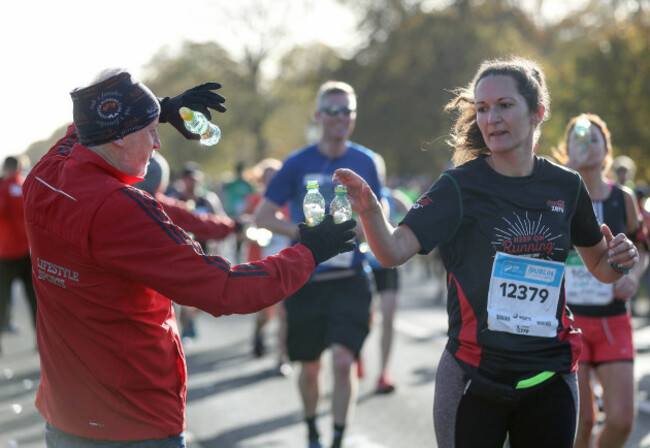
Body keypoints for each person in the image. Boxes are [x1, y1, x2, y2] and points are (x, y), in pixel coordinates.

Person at [22, 68, 357, 448]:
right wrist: (309, 252)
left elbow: (80, 130)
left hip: (65, 415)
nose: (158, 143)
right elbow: (225, 289)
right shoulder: (120, 208)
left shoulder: (42, 176)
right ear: (116, 139)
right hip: (134, 422)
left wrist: (159, 109)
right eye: (149, 131)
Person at [332, 57, 640, 448]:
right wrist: (371, 212)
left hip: (550, 375)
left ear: (537, 113)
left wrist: (618, 260)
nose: (491, 118)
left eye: (504, 105)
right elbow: (393, 251)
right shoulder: (459, 187)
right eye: (482, 108)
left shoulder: (567, 185)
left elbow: (599, 264)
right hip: (474, 377)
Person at [254, 80, 382, 448]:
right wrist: (306, 236)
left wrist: (366, 227)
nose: (340, 117)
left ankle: (338, 438)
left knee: (343, 361)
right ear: (318, 115)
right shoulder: (297, 163)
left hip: (350, 278)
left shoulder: (366, 161)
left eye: (347, 111)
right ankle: (312, 430)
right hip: (307, 281)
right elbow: (263, 216)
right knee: (309, 368)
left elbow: (380, 212)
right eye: (333, 110)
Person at [554, 114, 647, 448]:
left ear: (607, 149)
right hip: (568, 321)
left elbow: (640, 245)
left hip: (611, 319)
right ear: (566, 151)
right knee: (583, 420)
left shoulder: (621, 198)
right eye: (579, 140)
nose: (586, 145)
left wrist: (633, 276)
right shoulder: (555, 197)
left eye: (594, 139)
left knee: (622, 420)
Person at [362, 153, 412, 394]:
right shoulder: (357, 197)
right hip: (364, 263)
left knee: (389, 316)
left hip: (387, 265)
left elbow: (413, 214)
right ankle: (357, 354)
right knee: (366, 318)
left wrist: (400, 222)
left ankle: (383, 371)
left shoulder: (391, 196)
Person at [238, 158, 292, 375]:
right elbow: (239, 221)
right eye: (266, 176)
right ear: (261, 179)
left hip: (285, 265)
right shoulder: (254, 200)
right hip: (260, 264)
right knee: (265, 313)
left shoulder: (289, 201)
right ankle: (259, 333)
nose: (271, 180)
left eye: (275, 176)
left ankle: (282, 357)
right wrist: (249, 227)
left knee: (284, 312)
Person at [167, 161, 228, 341]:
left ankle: (191, 318)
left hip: (204, 253)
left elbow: (220, 220)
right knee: (181, 295)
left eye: (195, 179)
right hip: (179, 253)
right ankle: (184, 325)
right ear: (182, 180)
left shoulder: (208, 199)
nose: (191, 183)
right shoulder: (174, 198)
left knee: (202, 297)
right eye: (188, 179)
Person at [0, 155, 38, 354]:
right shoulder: (25, 185)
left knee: (2, 301)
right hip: (26, 253)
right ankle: (41, 342)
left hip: (5, 254)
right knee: (34, 301)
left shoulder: (5, 188)